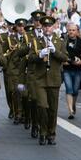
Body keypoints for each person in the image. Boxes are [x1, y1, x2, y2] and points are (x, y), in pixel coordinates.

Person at [28, 16, 68, 145]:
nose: (47, 28)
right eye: (45, 26)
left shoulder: (59, 41)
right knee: (42, 106)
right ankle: (43, 132)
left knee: (53, 109)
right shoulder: (36, 41)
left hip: (54, 79)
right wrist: (40, 55)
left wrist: (55, 51)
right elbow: (30, 58)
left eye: (49, 26)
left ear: (54, 27)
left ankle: (51, 134)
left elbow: (65, 57)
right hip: (39, 79)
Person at [63, 22, 81, 119]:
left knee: (75, 90)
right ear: (67, 31)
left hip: (77, 68)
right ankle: (70, 111)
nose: (71, 32)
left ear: (77, 31)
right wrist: (63, 61)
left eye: (73, 30)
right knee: (69, 88)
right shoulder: (63, 41)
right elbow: (59, 54)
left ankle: (73, 104)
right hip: (66, 69)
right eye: (70, 30)